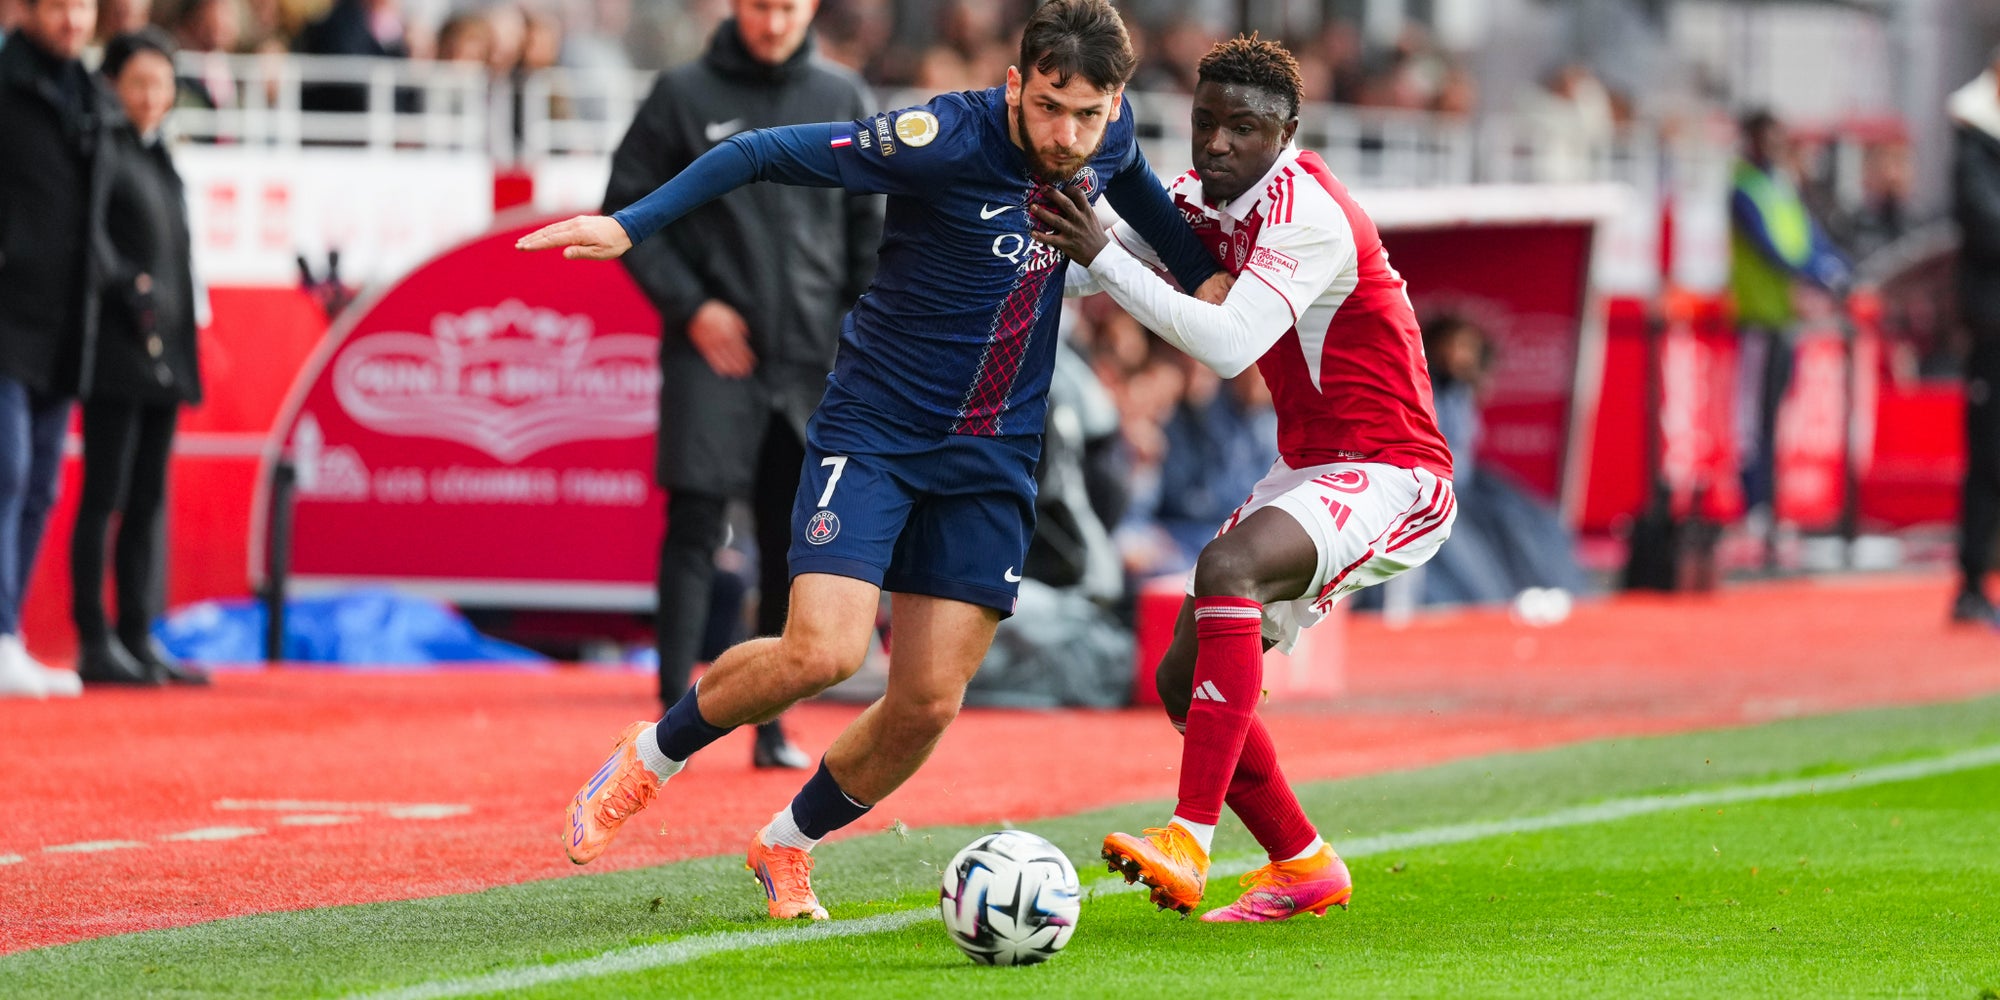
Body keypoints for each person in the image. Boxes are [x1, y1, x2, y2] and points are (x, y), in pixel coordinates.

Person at [519, 0, 1227, 921]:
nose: (1067, 134)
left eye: (1087, 114)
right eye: (1049, 106)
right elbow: (759, 153)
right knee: (822, 649)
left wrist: (1229, 290)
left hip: (993, 455)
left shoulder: (1108, 135)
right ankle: (650, 755)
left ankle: (786, 844)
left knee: (927, 703)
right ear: (1016, 83)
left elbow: (1172, 241)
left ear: (1117, 102)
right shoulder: (938, 138)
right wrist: (632, 225)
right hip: (877, 431)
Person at [1032, 33, 1455, 922]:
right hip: (1309, 466)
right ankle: (1302, 862)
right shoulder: (1198, 196)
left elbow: (1228, 347)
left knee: (1225, 571)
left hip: (1394, 471)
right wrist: (1051, 237)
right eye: (1207, 122)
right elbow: (1101, 267)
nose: (1219, 143)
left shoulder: (1308, 210)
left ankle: (1190, 837)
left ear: (1288, 133)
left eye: (1246, 129)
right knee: (1179, 682)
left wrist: (1102, 256)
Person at [603, 0, 881, 771]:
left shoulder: (843, 97)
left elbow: (872, 233)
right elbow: (626, 215)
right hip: (711, 355)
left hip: (813, 360)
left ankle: (770, 729)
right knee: (694, 528)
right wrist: (694, 310)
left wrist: (855, 337)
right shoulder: (680, 94)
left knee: (790, 545)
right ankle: (664, 731)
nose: (773, 21)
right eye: (760, 6)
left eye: (788, 7)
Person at [69, 28, 211, 686]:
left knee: (148, 499)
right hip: (116, 349)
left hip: (166, 354)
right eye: (138, 84)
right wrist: (130, 288)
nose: (151, 97)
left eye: (161, 84)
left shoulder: (162, 158)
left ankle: (137, 631)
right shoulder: (103, 150)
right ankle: (94, 637)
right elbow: (90, 237)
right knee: (105, 494)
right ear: (112, 86)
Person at [0, 0, 115, 699]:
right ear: (24, 11)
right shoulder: (4, 84)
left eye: (83, 6)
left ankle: (8, 633)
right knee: (5, 471)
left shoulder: (92, 96)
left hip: (69, 321)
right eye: (58, 6)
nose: (72, 20)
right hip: (6, 315)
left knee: (42, 482)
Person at [1727, 109, 1848, 559]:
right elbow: (1772, 247)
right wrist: (1821, 274)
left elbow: (1809, 238)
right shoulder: (1741, 185)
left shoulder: (1781, 185)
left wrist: (1837, 269)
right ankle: (1753, 510)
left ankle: (1771, 510)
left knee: (1776, 420)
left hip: (1787, 320)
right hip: (1757, 319)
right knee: (1750, 422)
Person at [1949, 52, 2000, 626]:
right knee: (1989, 459)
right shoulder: (1973, 144)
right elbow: (1987, 227)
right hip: (1991, 327)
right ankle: (1970, 583)